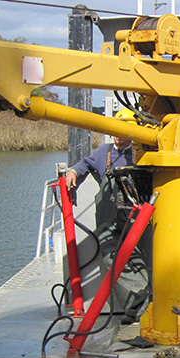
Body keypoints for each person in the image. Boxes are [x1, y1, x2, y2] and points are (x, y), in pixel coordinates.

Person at [65, 109, 151, 324]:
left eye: (122, 131)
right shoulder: (104, 151)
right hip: (109, 215)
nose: (117, 135)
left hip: (135, 214)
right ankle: (137, 304)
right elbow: (85, 164)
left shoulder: (143, 152)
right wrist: (73, 172)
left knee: (138, 255)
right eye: (114, 130)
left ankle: (141, 305)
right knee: (111, 257)